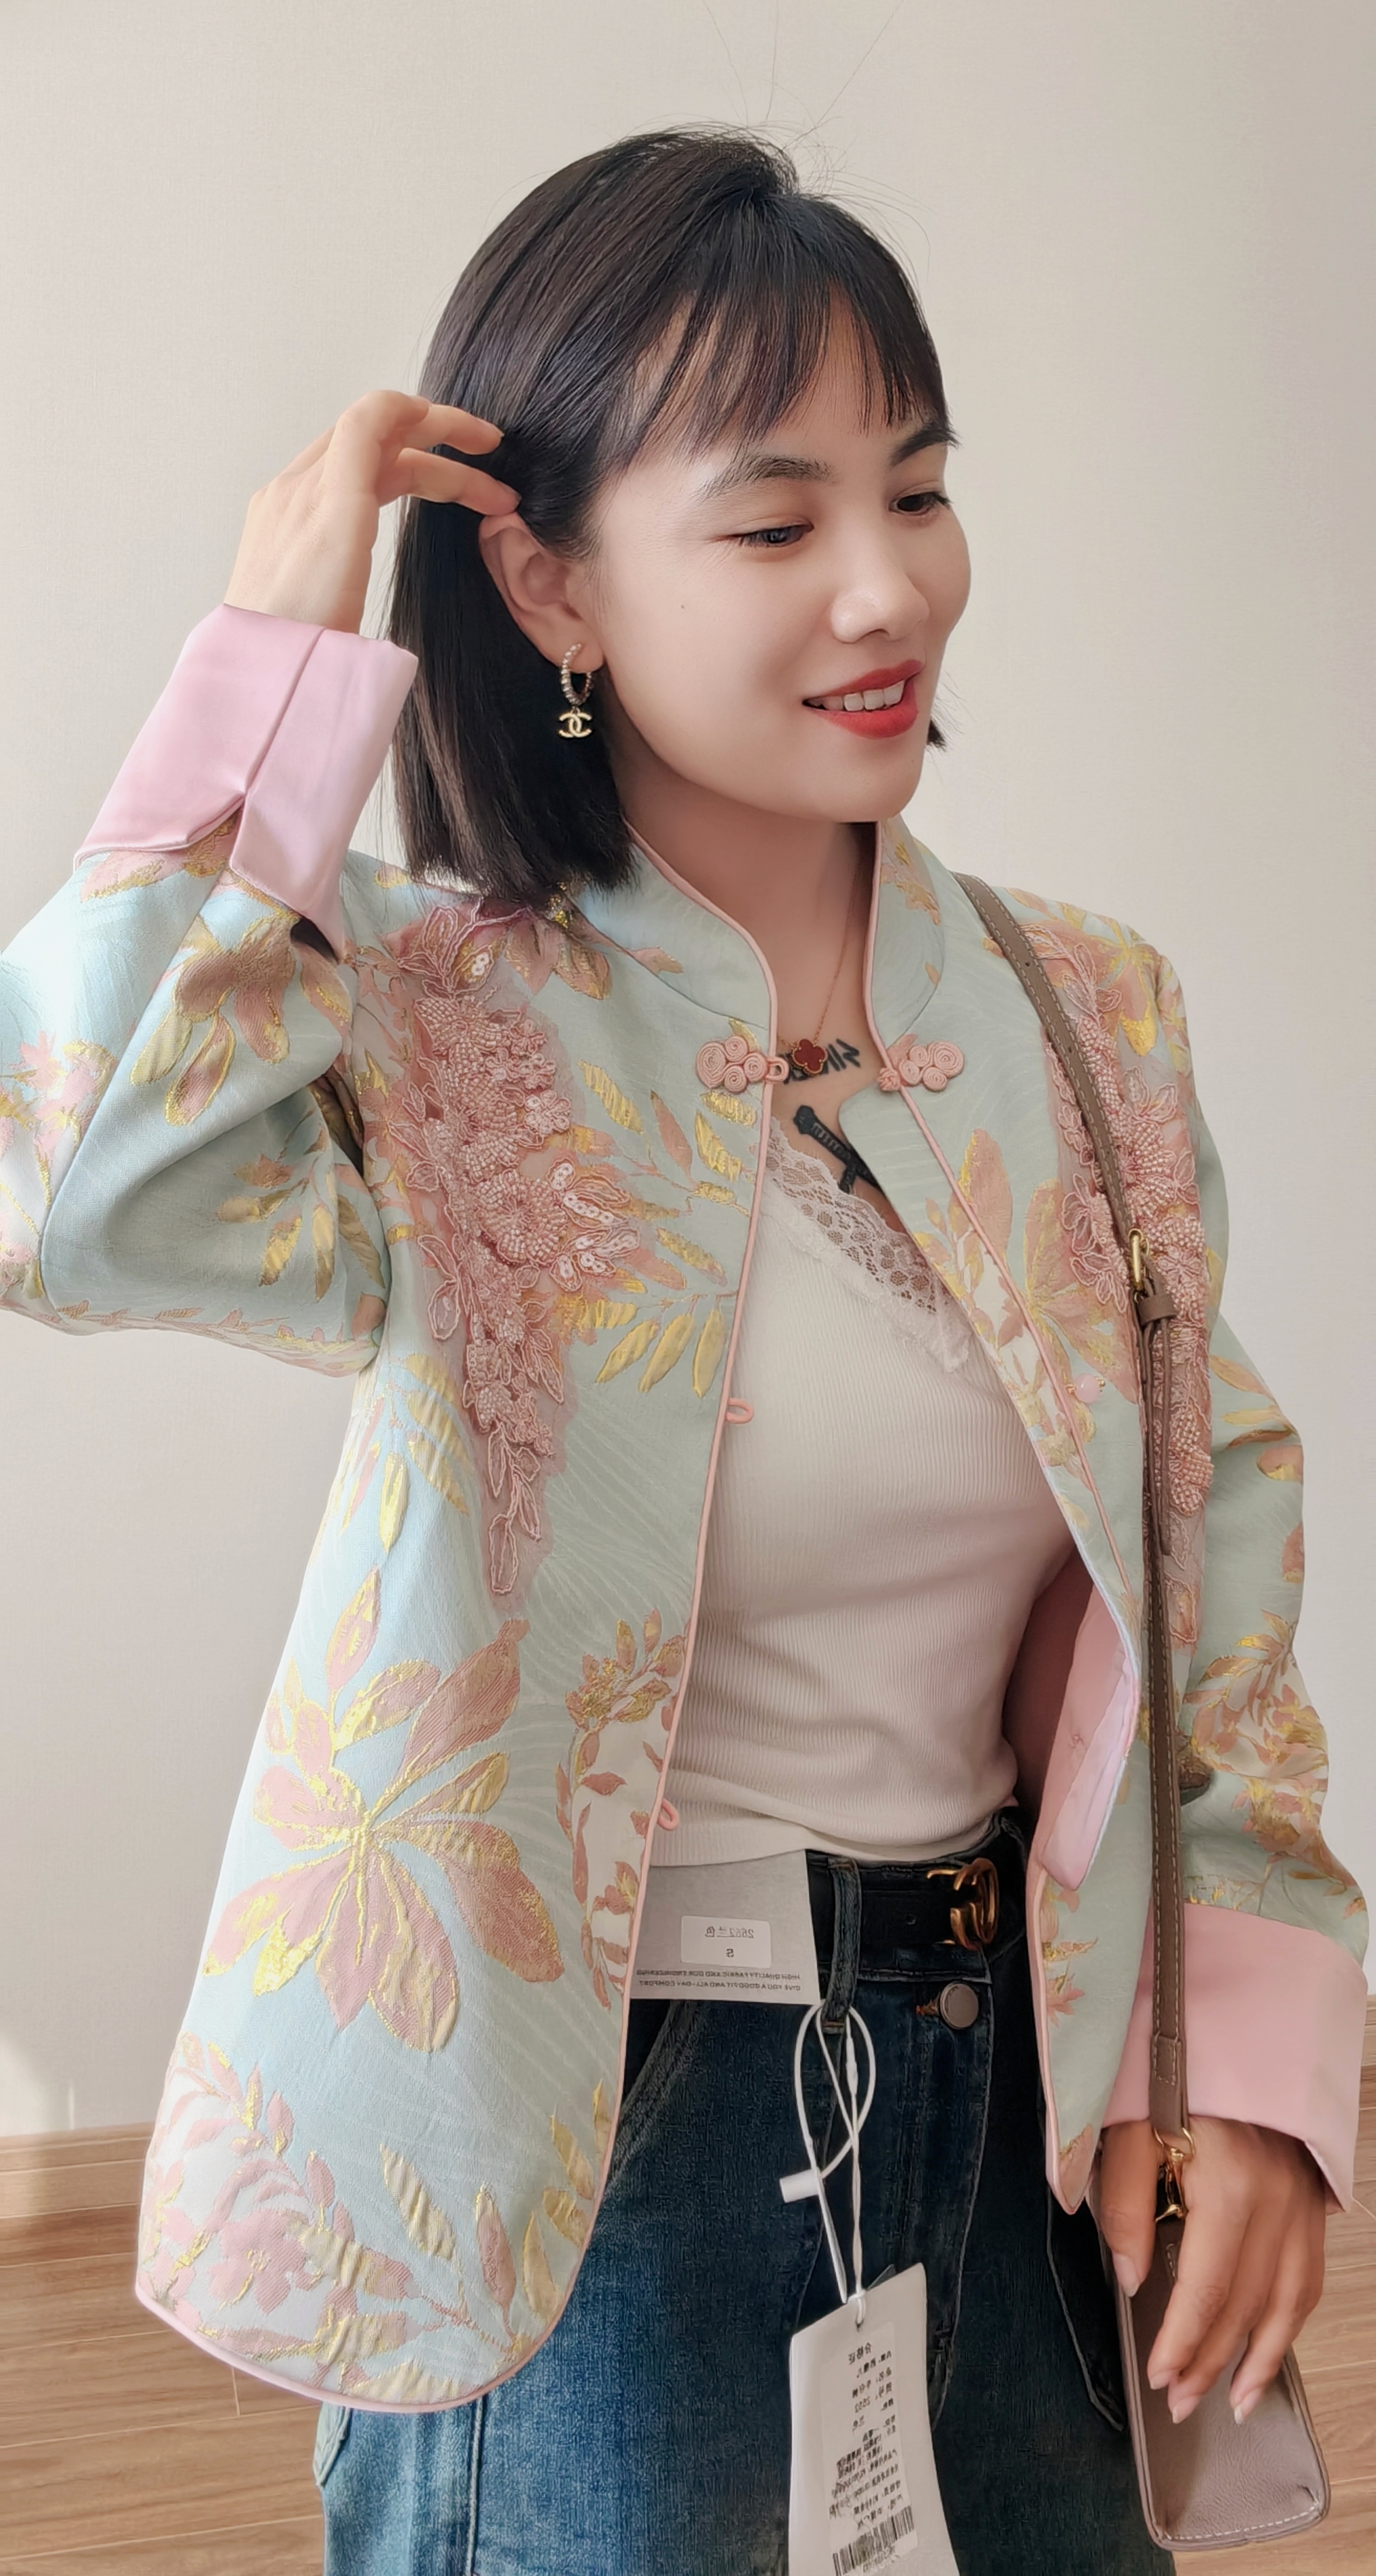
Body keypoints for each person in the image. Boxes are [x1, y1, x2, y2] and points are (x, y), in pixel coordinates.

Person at [0, 127, 1366, 2576]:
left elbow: (1213, 1550)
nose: (886, 585)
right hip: (591, 2151)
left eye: (917, 489)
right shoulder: (424, 1012)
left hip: (1013, 2105)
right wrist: (276, 654)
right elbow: (70, 1188)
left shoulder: (1083, 1011)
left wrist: (1246, 2058)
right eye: (772, 521)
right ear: (546, 581)